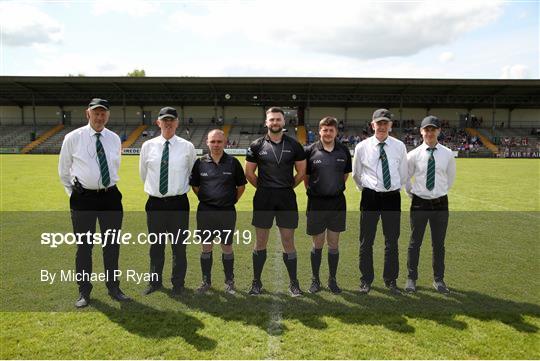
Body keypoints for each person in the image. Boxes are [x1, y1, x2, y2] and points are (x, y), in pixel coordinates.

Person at [58, 98, 130, 308]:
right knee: (84, 247)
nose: (99, 117)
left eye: (103, 113)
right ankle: (84, 291)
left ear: (107, 115)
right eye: (96, 113)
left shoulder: (114, 138)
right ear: (87, 113)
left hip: (110, 197)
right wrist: (76, 193)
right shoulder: (73, 137)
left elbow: (115, 165)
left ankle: (114, 287)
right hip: (83, 199)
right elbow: (63, 170)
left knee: (112, 246)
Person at [245, 106, 307, 296]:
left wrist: (286, 188)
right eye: (271, 120)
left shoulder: (294, 145)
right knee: (260, 241)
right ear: (266, 122)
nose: (275, 123)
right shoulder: (256, 145)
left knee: (288, 241)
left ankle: (294, 283)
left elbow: (301, 172)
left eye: (278, 119)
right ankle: (256, 282)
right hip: (264, 197)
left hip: (286, 198)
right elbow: (249, 173)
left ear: (283, 122)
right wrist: (265, 188)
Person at [139, 106, 196, 296]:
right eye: (165, 120)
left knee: (179, 246)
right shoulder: (148, 146)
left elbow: (191, 173)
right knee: (156, 245)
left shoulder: (187, 147)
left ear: (177, 123)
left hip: (178, 203)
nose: (168, 123)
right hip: (155, 203)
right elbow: (143, 174)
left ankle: (178, 283)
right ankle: (155, 282)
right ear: (158, 122)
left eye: (172, 120)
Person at [352, 108, 408, 295]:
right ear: (372, 124)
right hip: (370, 197)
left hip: (392, 197)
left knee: (392, 241)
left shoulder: (399, 146)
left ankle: (390, 280)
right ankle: (366, 280)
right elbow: (357, 174)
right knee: (366, 241)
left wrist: (392, 188)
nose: (382, 126)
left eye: (386, 123)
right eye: (379, 123)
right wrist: (368, 190)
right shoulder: (362, 147)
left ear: (390, 126)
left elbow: (403, 173)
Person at [190, 129, 247, 294]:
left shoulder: (233, 162)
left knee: (227, 246)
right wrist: (208, 199)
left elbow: (241, 187)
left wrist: (231, 200)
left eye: (219, 142)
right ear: (207, 142)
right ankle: (206, 282)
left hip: (227, 211)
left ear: (225, 142)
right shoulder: (200, 163)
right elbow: (195, 186)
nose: (216, 145)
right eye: (212, 141)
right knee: (206, 247)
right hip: (206, 211)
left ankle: (229, 282)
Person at [405, 115, 456, 294]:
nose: (430, 132)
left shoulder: (447, 154)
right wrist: (414, 193)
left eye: (433, 129)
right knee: (415, 242)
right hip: (419, 202)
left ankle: (439, 279)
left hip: (440, 203)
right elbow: (405, 178)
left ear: (439, 131)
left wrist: (437, 193)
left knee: (439, 243)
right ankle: (411, 278)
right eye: (427, 129)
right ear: (421, 131)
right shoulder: (413, 155)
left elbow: (450, 179)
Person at [304, 117, 352, 294]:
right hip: (316, 203)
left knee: (333, 243)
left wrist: (333, 188)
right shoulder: (310, 151)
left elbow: (345, 175)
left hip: (337, 203)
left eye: (331, 130)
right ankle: (315, 280)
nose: (328, 133)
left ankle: (332, 279)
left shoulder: (343, 151)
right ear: (319, 131)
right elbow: (306, 178)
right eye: (325, 130)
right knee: (317, 243)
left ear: (336, 132)